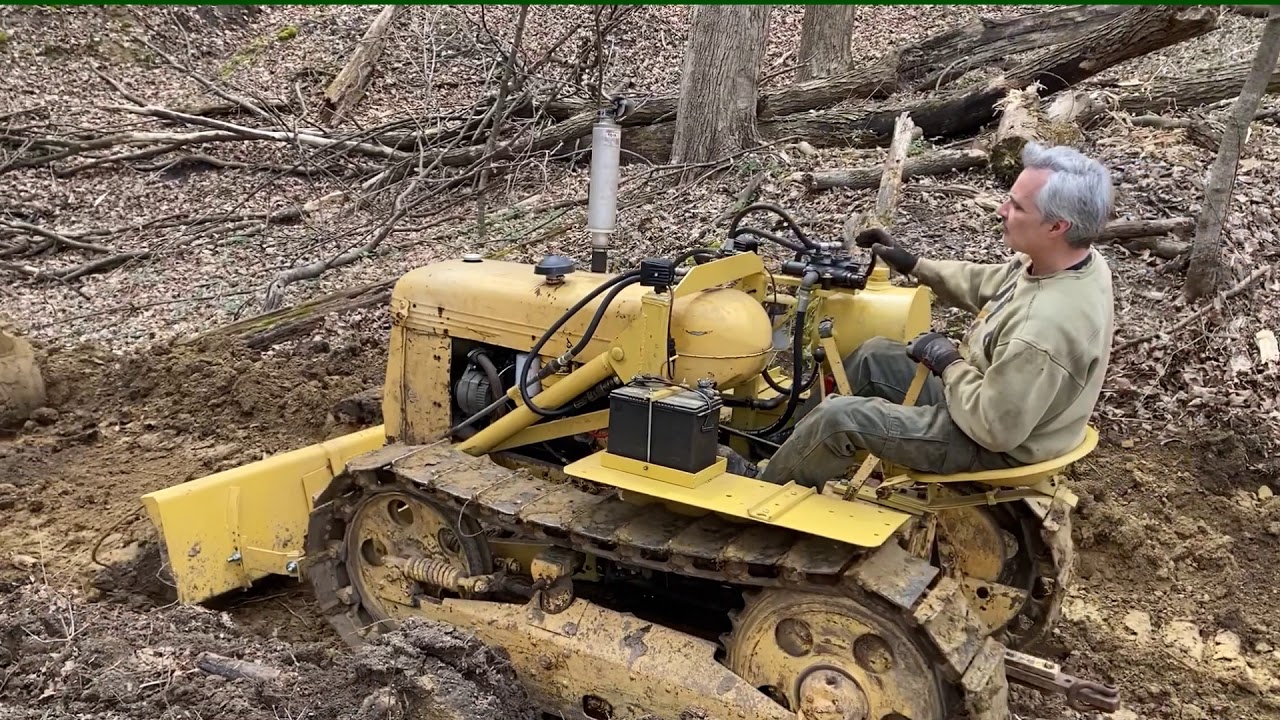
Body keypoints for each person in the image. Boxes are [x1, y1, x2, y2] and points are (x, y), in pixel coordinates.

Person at [757, 142, 1116, 489]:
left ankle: (762, 491)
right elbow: (984, 282)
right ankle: (788, 452)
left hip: (995, 444)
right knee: (873, 356)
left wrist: (949, 364)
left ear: (1057, 227)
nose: (1001, 211)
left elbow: (993, 428)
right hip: (989, 400)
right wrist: (914, 264)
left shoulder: (1044, 328)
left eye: (1018, 208)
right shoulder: (1067, 262)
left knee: (839, 420)